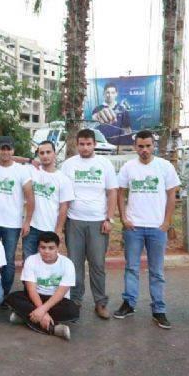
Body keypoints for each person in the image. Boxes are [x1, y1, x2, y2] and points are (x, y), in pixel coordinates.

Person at [114, 130, 180, 329]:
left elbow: (172, 196)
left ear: (154, 146)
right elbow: (120, 193)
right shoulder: (128, 167)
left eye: (148, 146)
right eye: (141, 146)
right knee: (131, 268)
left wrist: (166, 222)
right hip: (134, 227)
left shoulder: (165, 166)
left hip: (157, 228)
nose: (144, 150)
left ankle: (159, 310)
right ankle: (129, 303)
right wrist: (124, 218)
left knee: (157, 271)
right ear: (135, 147)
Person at [60, 129, 117, 319]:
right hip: (74, 221)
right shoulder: (68, 165)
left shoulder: (104, 164)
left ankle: (100, 302)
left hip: (98, 222)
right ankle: (75, 300)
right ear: (77, 144)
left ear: (94, 144)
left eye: (88, 144)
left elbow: (112, 192)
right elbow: (62, 192)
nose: (85, 148)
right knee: (74, 264)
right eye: (82, 144)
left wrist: (109, 218)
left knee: (97, 264)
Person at [5, 231, 78, 341]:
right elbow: (31, 290)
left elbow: (60, 293)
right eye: (43, 247)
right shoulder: (31, 260)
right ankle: (54, 329)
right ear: (38, 248)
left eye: (51, 248)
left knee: (73, 311)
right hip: (36, 297)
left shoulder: (67, 263)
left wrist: (43, 310)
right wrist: (43, 313)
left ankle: (24, 318)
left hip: (56, 300)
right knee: (12, 298)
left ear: (58, 248)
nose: (46, 251)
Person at [0, 136, 35, 296]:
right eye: (2, 148)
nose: (5, 152)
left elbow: (30, 198)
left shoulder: (21, 170)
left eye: (8, 149)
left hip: (12, 224)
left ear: (13, 150)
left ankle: (5, 294)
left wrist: (27, 221)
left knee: (8, 260)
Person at [21, 140, 74, 260]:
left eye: (48, 152)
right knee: (28, 262)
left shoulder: (63, 179)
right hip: (31, 227)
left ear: (55, 153)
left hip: (50, 228)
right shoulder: (31, 171)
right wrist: (29, 160)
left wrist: (58, 230)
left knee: (48, 263)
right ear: (38, 155)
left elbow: (64, 207)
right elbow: (8, 159)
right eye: (42, 153)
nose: (45, 155)